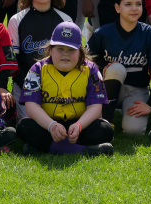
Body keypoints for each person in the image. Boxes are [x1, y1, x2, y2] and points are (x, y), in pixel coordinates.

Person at [16, 22, 115, 156]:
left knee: (105, 130)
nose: (65, 54)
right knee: (24, 127)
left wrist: (79, 126)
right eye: (60, 48)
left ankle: (43, 148)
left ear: (80, 51)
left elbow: (96, 108)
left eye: (71, 49)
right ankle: (83, 151)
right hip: (48, 125)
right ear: (50, 49)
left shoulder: (91, 69)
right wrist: (52, 126)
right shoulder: (37, 69)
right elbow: (31, 106)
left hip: (79, 125)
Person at [87, 0, 151, 137]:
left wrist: (150, 105)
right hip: (107, 90)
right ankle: (106, 120)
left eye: (138, 4)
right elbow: (86, 59)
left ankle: (122, 115)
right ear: (117, 8)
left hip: (136, 90)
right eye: (128, 4)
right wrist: (104, 66)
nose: (134, 8)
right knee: (116, 68)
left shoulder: (150, 33)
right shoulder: (103, 32)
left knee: (134, 131)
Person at [6, 0, 75, 80]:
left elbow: (70, 58)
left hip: (58, 82)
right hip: (24, 83)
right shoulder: (16, 20)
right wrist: (28, 86)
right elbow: (14, 61)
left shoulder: (65, 20)